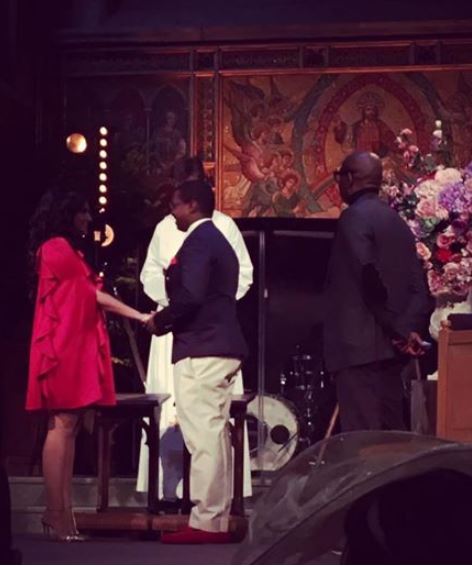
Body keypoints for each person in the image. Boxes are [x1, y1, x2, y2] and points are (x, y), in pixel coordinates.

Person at [26, 188, 153, 541]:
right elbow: (90, 296)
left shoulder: (67, 249)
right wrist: (139, 315)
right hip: (63, 346)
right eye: (81, 211)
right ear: (65, 214)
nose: (88, 218)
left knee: (67, 428)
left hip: (74, 343)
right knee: (61, 426)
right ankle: (56, 514)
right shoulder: (56, 247)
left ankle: (63, 515)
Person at [137, 157, 253, 502]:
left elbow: (238, 276)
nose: (173, 207)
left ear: (194, 199)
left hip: (201, 334)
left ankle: (208, 509)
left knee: (206, 427)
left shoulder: (217, 229)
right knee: (198, 423)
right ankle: (177, 495)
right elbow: (151, 273)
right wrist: (171, 304)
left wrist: (185, 309)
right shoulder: (167, 228)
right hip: (184, 330)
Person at [323, 151, 430, 432]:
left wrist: (396, 330)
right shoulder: (397, 222)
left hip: (360, 350)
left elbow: (368, 276)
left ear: (349, 178)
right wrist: (408, 329)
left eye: (339, 177)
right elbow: (418, 284)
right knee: (390, 439)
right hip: (392, 353)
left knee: (363, 440)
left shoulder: (353, 218)